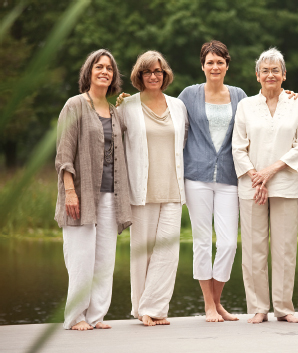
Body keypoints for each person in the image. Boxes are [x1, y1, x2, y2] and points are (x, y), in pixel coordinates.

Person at [55, 49, 131, 330]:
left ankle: (96, 315)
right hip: (83, 194)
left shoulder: (114, 111)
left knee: (104, 261)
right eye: (99, 66)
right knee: (80, 258)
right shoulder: (74, 105)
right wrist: (69, 191)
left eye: (109, 68)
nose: (105, 72)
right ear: (88, 72)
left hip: (111, 195)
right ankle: (75, 317)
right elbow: (64, 153)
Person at [232, 48, 298, 324]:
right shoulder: (245, 106)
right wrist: (256, 175)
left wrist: (270, 171)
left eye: (275, 70)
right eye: (264, 70)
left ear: (284, 74)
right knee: (254, 248)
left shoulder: (297, 104)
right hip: (252, 186)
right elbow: (238, 147)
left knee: (285, 248)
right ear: (257, 76)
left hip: (286, 184)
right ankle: (258, 307)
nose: (270, 74)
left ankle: (284, 307)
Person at [177, 40, 247, 322]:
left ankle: (216, 301)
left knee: (229, 243)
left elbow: (257, 116)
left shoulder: (240, 95)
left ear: (227, 65)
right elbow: (169, 121)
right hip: (197, 177)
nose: (215, 66)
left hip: (230, 177)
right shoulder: (189, 95)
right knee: (202, 242)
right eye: (210, 62)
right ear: (202, 66)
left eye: (220, 62)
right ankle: (209, 304)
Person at [118, 51, 188, 326]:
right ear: (139, 75)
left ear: (165, 74)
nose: (153, 76)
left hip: (172, 188)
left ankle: (156, 309)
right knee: (142, 252)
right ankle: (141, 308)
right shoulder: (127, 107)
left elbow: (184, 142)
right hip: (141, 189)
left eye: (158, 71)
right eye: (148, 72)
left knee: (167, 255)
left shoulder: (177, 106)